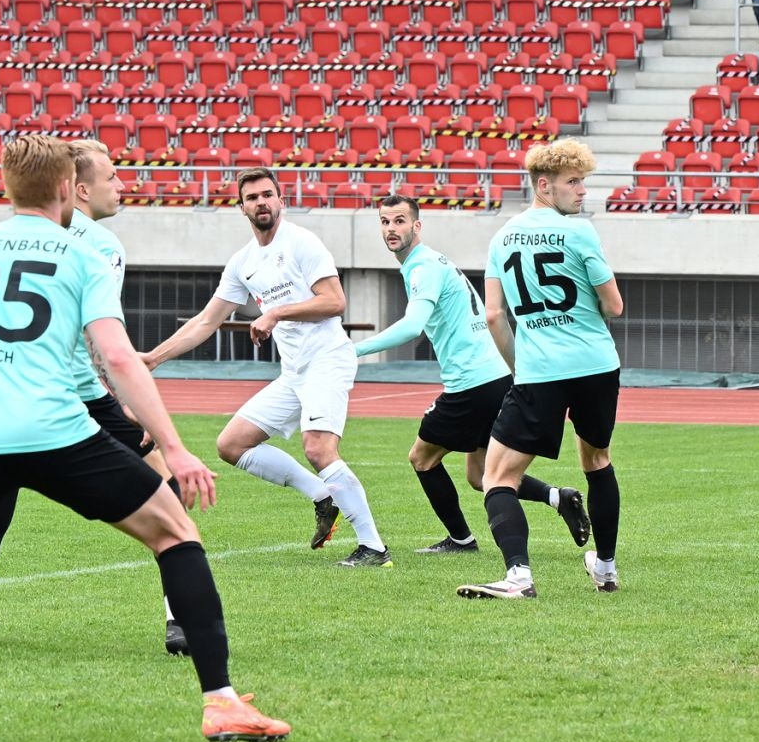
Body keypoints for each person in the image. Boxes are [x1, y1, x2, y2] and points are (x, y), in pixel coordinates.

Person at [0, 135, 289, 742]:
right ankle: (221, 702)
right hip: (56, 430)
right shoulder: (82, 256)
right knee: (176, 533)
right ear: (69, 189)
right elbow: (119, 358)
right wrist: (173, 447)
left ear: (7, 184)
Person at [0, 140, 189, 652]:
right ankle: (179, 618)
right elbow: (98, 337)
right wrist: (121, 400)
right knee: (163, 482)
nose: (121, 185)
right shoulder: (99, 244)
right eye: (111, 177)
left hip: (14, 393)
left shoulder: (13, 234)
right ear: (78, 189)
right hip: (77, 392)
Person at [140, 167, 388, 567]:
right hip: (294, 373)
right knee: (231, 445)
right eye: (253, 197)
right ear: (242, 208)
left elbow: (334, 301)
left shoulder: (303, 243)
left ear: (281, 201)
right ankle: (322, 495)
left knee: (319, 448)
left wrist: (276, 313)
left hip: (327, 360)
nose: (262, 202)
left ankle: (374, 547)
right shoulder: (243, 262)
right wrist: (153, 357)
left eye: (268, 194)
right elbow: (207, 320)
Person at [353, 193, 591, 556]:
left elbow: (412, 326)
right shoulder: (429, 262)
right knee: (481, 475)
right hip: (494, 378)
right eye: (385, 222)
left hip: (472, 383)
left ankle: (462, 540)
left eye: (399, 220)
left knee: (422, 458)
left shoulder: (423, 266)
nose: (391, 228)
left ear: (417, 226)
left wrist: (353, 349)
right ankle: (560, 498)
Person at [457, 140, 626, 601]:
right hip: (596, 365)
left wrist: (519, 367)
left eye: (583, 181)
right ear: (544, 185)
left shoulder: (501, 237)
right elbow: (614, 305)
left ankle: (518, 577)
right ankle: (606, 569)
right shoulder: (580, 233)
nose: (583, 191)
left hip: (541, 372)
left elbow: (493, 316)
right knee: (597, 461)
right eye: (574, 182)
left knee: (497, 477)